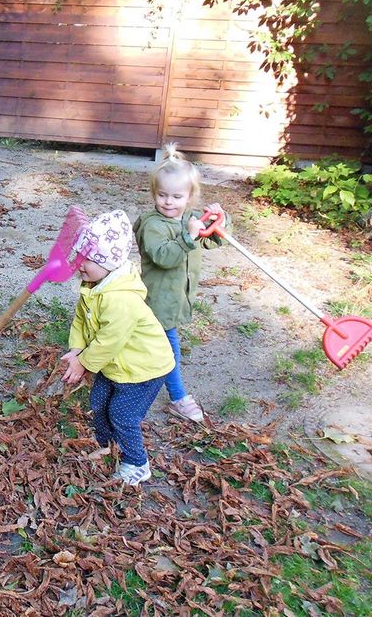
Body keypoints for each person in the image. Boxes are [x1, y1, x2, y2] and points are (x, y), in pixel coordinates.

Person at [60, 210, 175, 487]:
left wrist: (84, 363)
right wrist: (76, 349)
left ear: (109, 262)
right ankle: (108, 445)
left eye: (90, 259)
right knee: (98, 403)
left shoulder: (120, 299)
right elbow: (80, 319)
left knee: (123, 415)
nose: (81, 264)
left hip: (144, 369)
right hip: (116, 366)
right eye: (80, 256)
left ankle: (137, 463)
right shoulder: (93, 285)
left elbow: (110, 339)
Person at [133, 144, 230, 423]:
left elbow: (212, 240)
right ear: (154, 194)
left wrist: (218, 220)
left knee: (150, 342)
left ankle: (124, 366)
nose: (168, 202)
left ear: (190, 197)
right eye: (162, 195)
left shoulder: (190, 219)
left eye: (177, 196)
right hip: (157, 301)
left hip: (176, 299)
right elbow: (164, 257)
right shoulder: (153, 225)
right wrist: (188, 237)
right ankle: (178, 397)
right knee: (168, 350)